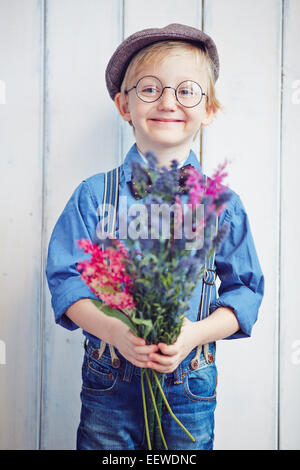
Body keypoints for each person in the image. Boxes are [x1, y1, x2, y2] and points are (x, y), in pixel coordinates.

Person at [46, 24, 264, 450]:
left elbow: (246, 292)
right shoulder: (94, 196)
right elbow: (65, 280)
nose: (168, 101)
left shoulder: (222, 205)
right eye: (149, 89)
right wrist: (113, 330)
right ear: (123, 104)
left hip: (189, 386)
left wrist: (193, 335)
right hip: (109, 382)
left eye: (187, 90)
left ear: (210, 109)